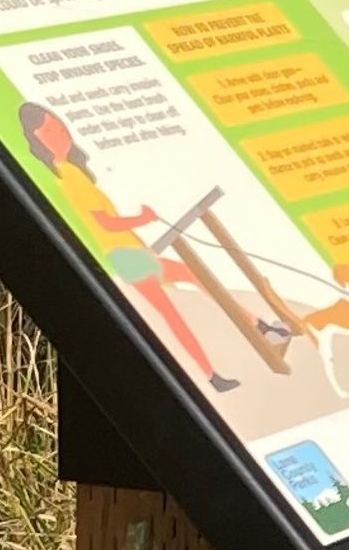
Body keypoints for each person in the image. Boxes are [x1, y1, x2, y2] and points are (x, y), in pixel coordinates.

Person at [17, 100, 240, 391]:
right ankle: (212, 372)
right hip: (124, 256)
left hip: (130, 252)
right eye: (48, 131)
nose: (59, 134)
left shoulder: (75, 170)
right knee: (174, 307)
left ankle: (230, 354)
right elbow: (106, 224)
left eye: (58, 126)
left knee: (187, 285)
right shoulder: (69, 178)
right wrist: (141, 218)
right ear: (37, 140)